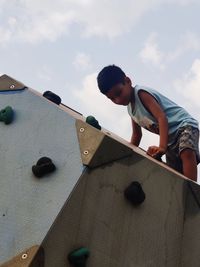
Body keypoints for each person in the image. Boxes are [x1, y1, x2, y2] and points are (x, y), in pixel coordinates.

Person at [97, 65, 200, 182]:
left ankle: (192, 190)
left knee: (186, 152)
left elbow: (162, 118)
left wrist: (162, 146)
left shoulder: (141, 93)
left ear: (128, 81)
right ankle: (185, 192)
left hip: (183, 125)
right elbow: (136, 135)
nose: (118, 100)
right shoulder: (131, 110)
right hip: (170, 139)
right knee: (175, 172)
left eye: (119, 93)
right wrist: (127, 153)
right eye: (112, 99)